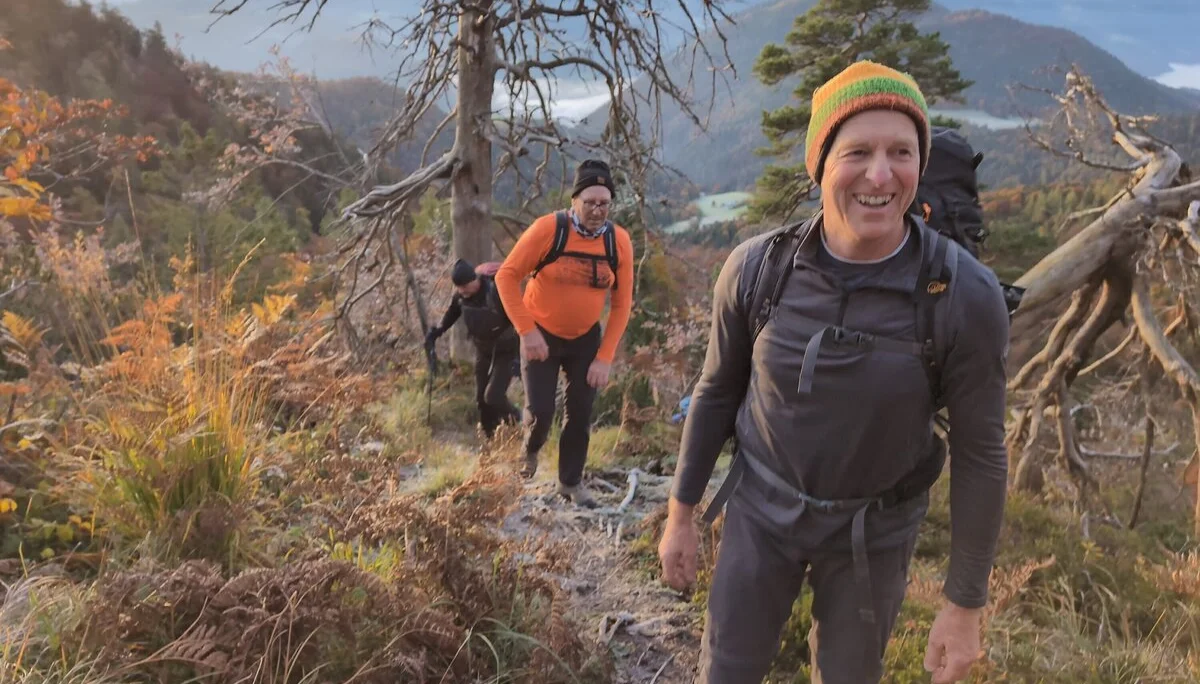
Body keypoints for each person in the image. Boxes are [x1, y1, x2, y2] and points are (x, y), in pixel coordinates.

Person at [656, 61, 1010, 684]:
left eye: (901, 151)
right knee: (727, 671)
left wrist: (964, 605)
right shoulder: (756, 270)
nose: (880, 175)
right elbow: (715, 392)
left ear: (920, 166)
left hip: (875, 533)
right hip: (759, 512)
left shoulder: (962, 295)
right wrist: (681, 516)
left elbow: (982, 452)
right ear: (820, 164)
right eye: (857, 152)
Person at [495, 159, 635, 507]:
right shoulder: (549, 230)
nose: (597, 210)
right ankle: (529, 449)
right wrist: (526, 332)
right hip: (539, 331)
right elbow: (506, 276)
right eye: (590, 202)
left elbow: (621, 305)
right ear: (575, 200)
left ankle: (570, 483)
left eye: (604, 202)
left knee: (580, 414)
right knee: (541, 411)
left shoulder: (618, 242)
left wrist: (604, 358)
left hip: (585, 338)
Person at [425, 258, 521, 440]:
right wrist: (438, 331)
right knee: (481, 400)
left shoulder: (495, 292)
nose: (463, 291)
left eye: (466, 286)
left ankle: (518, 421)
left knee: (493, 396)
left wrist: (518, 358)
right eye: (459, 288)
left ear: (475, 279)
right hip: (483, 350)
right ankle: (490, 441)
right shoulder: (461, 297)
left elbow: (519, 322)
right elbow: (452, 314)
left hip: (506, 351)